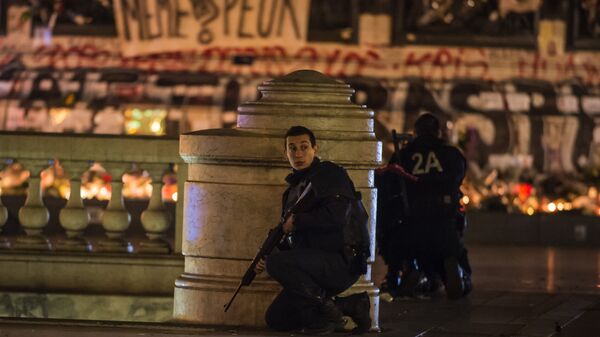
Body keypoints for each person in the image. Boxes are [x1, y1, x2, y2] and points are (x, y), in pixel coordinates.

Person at [254, 125, 371, 334]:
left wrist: (297, 221)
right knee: (276, 318)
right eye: (292, 148)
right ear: (285, 153)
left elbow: (336, 217)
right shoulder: (292, 191)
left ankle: (328, 315)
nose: (298, 153)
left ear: (315, 149)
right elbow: (297, 242)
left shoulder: (330, 174)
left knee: (276, 264)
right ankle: (348, 306)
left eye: (304, 147)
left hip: (341, 261)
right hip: (313, 266)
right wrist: (272, 252)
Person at [397, 113, 472, 299]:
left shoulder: (405, 154)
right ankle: (455, 277)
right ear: (438, 132)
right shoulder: (451, 153)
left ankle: (417, 274)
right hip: (445, 215)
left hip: (412, 217)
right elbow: (457, 179)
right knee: (453, 249)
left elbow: (394, 181)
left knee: (409, 249)